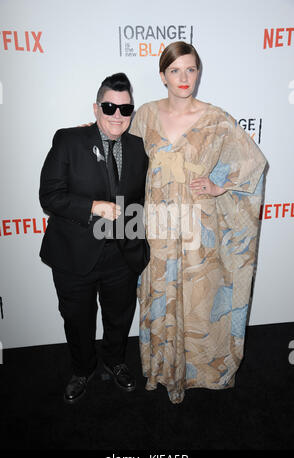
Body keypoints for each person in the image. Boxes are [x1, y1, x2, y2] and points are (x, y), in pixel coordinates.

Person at [130, 41, 266, 404]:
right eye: (175, 70)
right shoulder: (144, 115)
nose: (184, 77)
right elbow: (123, 158)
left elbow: (252, 163)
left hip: (198, 229)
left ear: (198, 72)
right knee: (161, 297)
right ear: (162, 76)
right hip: (157, 227)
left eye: (191, 69)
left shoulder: (215, 118)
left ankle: (201, 372)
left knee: (199, 301)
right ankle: (163, 370)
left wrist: (220, 186)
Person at [39, 73, 149, 404]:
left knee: (119, 317)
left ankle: (115, 362)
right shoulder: (69, 140)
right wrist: (92, 207)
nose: (117, 115)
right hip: (75, 255)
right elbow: (50, 196)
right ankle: (82, 369)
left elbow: (143, 199)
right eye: (109, 107)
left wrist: (139, 246)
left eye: (125, 108)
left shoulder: (140, 148)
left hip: (122, 254)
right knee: (77, 319)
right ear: (96, 107)